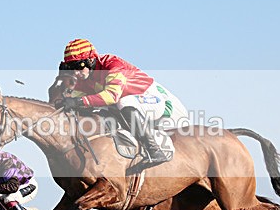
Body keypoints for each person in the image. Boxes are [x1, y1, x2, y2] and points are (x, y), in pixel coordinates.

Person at [54, 38, 189, 167]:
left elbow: (111, 96)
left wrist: (78, 101)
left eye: (79, 66)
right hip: (130, 105)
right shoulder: (83, 79)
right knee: (98, 111)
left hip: (154, 99)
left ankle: (154, 149)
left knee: (123, 102)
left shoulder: (112, 64)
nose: (76, 73)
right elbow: (77, 101)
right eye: (71, 68)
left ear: (90, 59)